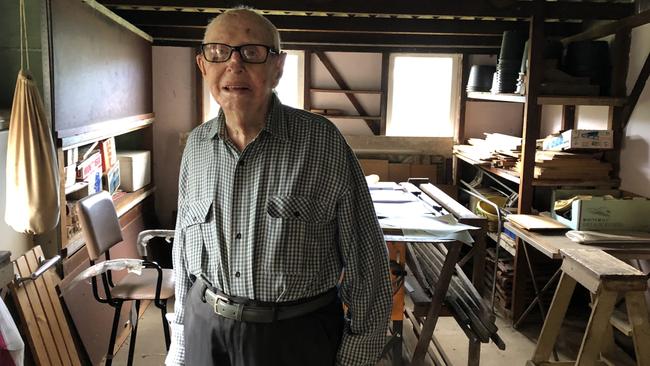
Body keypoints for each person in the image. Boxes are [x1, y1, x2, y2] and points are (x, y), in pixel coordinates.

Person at [167, 8, 392, 366]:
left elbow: (367, 261)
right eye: (218, 52)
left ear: (278, 67)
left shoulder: (322, 143)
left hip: (295, 339)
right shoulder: (196, 146)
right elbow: (182, 253)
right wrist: (180, 341)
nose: (234, 65)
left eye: (252, 52)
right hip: (206, 331)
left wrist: (357, 354)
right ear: (202, 66)